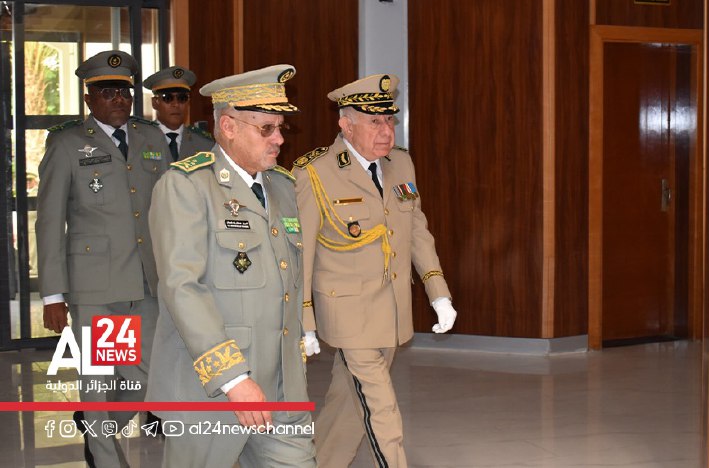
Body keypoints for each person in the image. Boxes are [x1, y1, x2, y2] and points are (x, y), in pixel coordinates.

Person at [146, 64, 316, 468]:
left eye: (281, 128)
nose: (278, 139)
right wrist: (234, 379)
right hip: (213, 388)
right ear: (228, 126)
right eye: (266, 129)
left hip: (281, 387)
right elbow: (182, 287)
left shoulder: (283, 187)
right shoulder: (187, 186)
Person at [292, 74, 458, 467]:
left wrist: (439, 294)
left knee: (348, 402)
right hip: (347, 314)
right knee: (381, 407)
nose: (386, 132)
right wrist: (304, 320)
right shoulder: (314, 172)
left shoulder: (400, 163)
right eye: (374, 122)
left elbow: (416, 229)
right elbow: (303, 252)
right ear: (345, 124)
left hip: (391, 311)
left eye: (389, 122)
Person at [36, 50, 170, 467]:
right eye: (107, 91)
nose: (118, 99)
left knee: (147, 381)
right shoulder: (68, 143)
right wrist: (52, 294)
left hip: (147, 282)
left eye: (124, 91)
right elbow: (49, 220)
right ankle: (106, 457)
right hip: (97, 287)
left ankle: (99, 435)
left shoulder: (150, 138)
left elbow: (170, 208)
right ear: (89, 97)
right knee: (97, 383)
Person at [143, 65, 214, 163]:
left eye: (182, 98)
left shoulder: (204, 144)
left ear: (188, 102)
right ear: (155, 102)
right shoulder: (140, 141)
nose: (176, 104)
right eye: (167, 98)